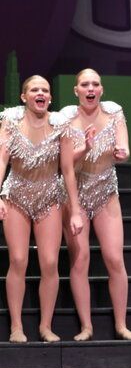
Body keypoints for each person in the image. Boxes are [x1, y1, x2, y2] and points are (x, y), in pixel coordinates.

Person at [0, 75, 83, 342]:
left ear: (50, 97)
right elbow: (1, 160)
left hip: (49, 197)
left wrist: (76, 210)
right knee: (18, 260)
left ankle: (46, 326)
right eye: (35, 90)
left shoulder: (61, 125)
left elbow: (68, 171)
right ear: (23, 96)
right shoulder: (10, 122)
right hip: (16, 196)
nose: (41, 93)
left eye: (45, 90)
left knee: (49, 262)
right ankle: (16, 327)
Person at [59, 68, 131, 341]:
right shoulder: (66, 118)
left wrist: (122, 152)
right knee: (80, 259)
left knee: (115, 258)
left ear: (101, 90)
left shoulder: (114, 112)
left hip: (106, 191)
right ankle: (86, 326)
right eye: (85, 84)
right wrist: (85, 147)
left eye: (95, 84)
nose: (90, 88)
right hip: (75, 193)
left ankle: (121, 324)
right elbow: (63, 162)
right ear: (76, 90)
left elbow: (124, 148)